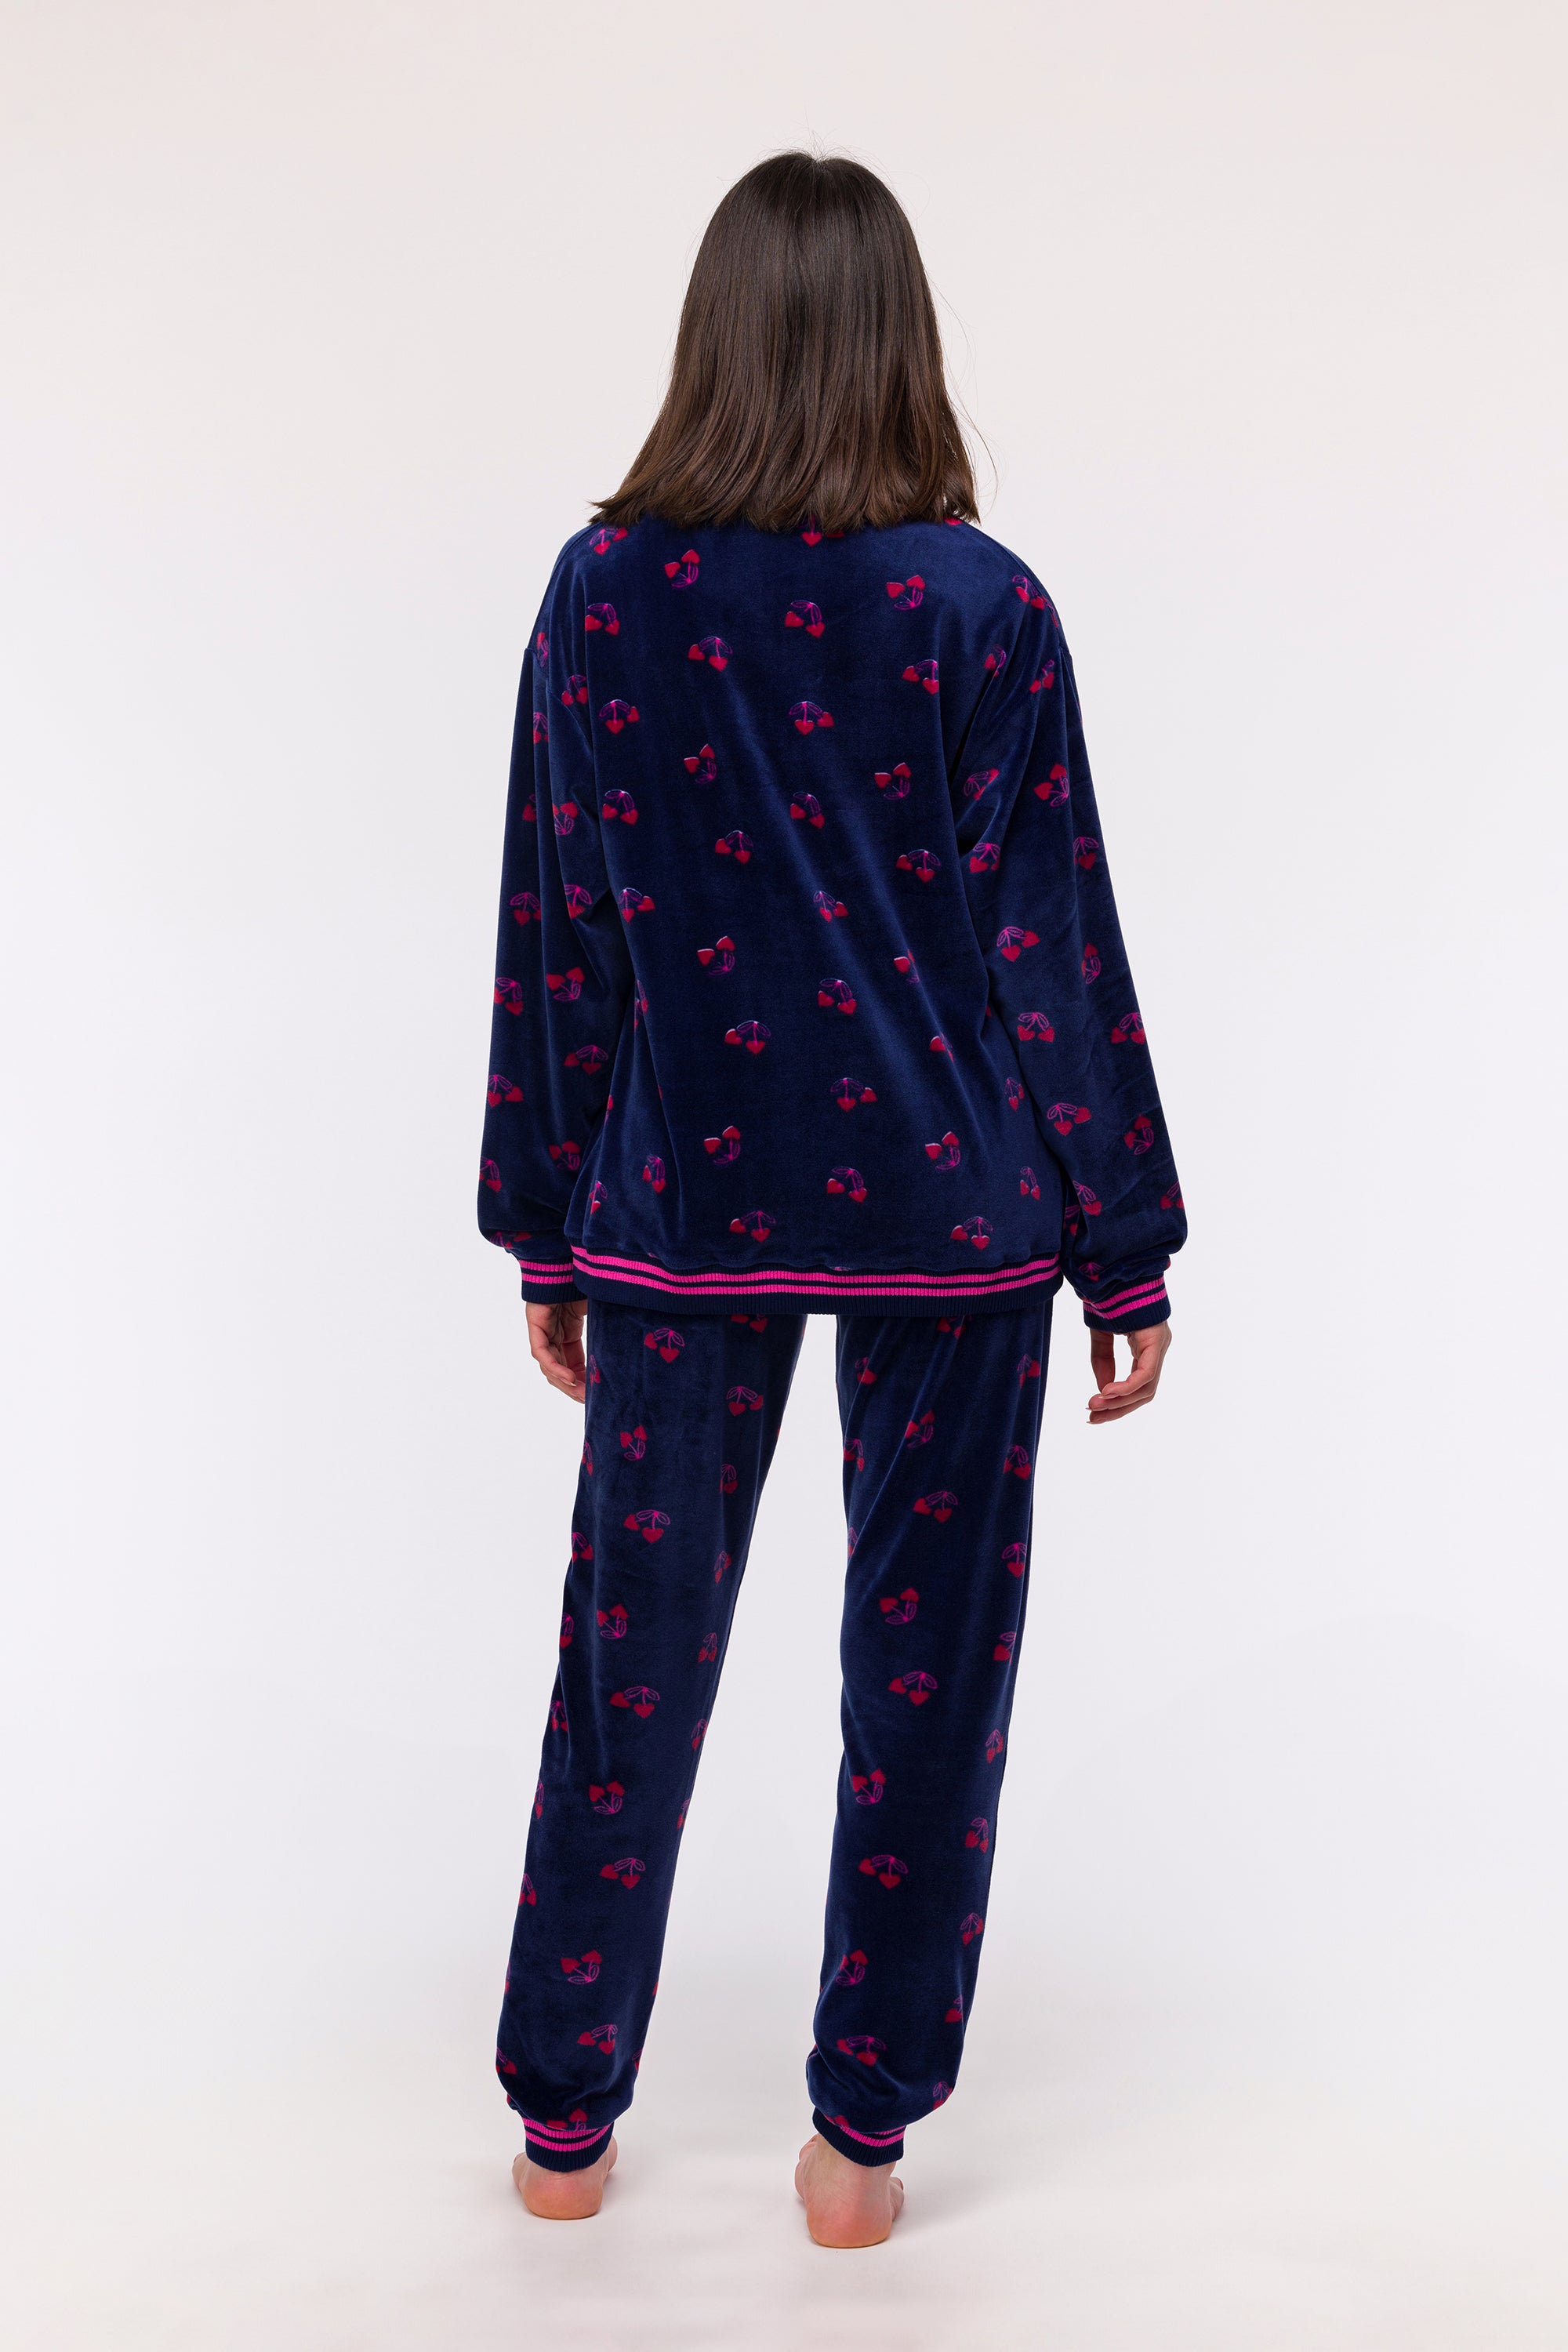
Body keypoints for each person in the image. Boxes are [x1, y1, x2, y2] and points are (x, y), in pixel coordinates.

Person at [477, 151, 1184, 2249]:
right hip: (956, 1218)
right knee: (931, 1674)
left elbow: (558, 927)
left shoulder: (602, 593)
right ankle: (859, 2156)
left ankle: (563, 2137)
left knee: (631, 1657)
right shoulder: (984, 607)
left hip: (682, 1207)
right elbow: (1050, 947)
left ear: (713, 336)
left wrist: (545, 1217)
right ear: (903, 340)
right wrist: (1123, 1246)